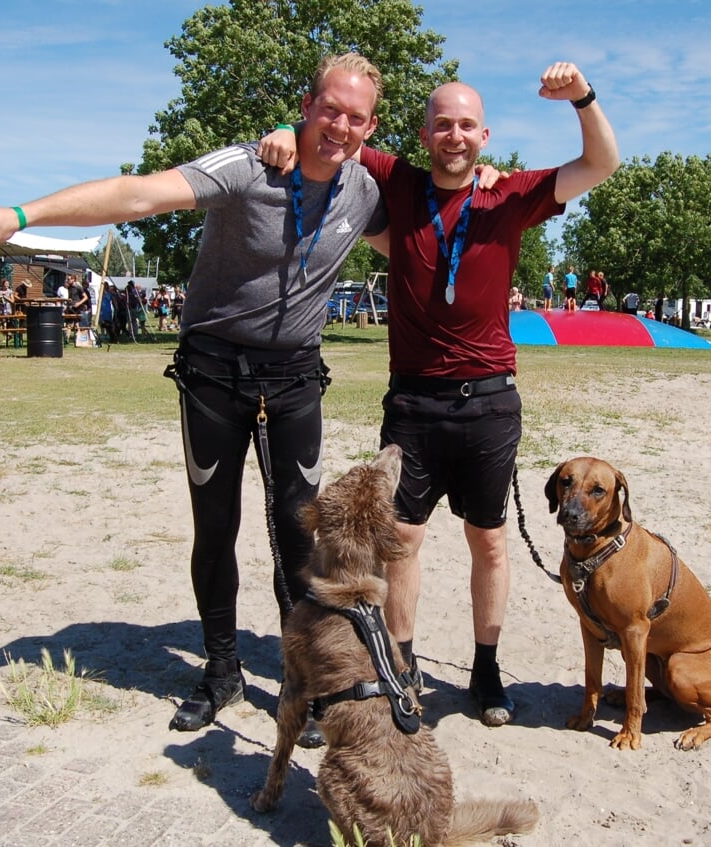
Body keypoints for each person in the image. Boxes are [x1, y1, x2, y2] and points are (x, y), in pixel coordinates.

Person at [0, 52, 390, 744]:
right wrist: (20, 213)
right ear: (306, 104)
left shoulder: (365, 189)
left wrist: (483, 178)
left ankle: (302, 680)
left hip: (295, 376)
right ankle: (221, 668)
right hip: (212, 371)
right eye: (329, 108)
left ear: (370, 126)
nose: (340, 126)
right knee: (216, 527)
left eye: (355, 117)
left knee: (300, 537)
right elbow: (139, 195)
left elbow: (433, 217)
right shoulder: (250, 165)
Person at [262, 60, 618, 726]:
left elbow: (601, 161)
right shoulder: (399, 181)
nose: (453, 136)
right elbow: (330, 132)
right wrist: (286, 123)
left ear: (484, 135)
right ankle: (401, 663)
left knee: (488, 542)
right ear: (423, 134)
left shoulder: (509, 193)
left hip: (488, 399)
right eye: (441, 125)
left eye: (465, 126)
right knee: (401, 538)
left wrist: (581, 98)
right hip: (413, 402)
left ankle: (485, 671)